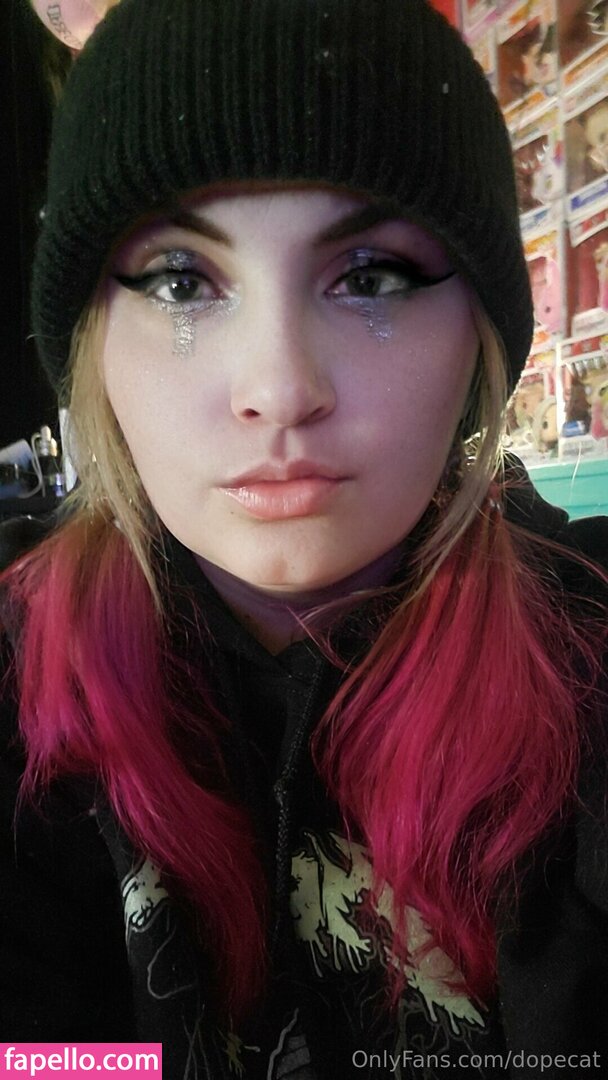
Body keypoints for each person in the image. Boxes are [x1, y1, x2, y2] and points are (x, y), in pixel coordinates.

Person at [1, 1, 607, 1078]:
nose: (278, 389)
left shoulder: (585, 655)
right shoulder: (18, 677)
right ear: (91, 341)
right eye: (181, 281)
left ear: (478, 330)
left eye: (370, 275)